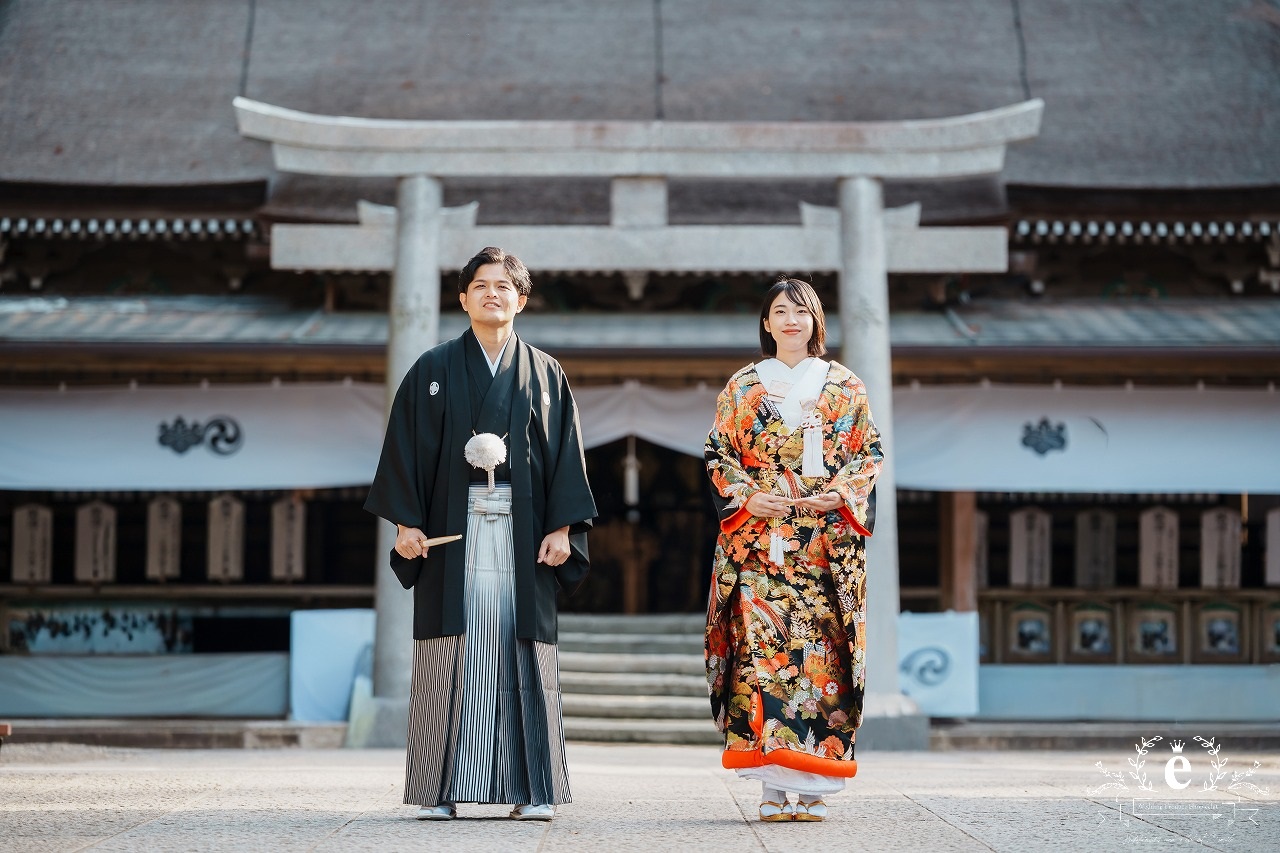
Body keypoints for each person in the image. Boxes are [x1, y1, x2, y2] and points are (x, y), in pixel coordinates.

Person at [365, 246, 596, 822]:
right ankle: (437, 790)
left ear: (522, 299)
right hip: (451, 531)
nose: (493, 294)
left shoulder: (546, 373)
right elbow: (405, 450)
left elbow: (565, 455)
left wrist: (563, 527)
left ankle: (533, 788)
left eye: (504, 286)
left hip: (525, 535)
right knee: (449, 653)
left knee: (523, 653)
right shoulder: (432, 369)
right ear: (463, 297)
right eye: (481, 285)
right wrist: (407, 524)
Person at [703, 277, 883, 823]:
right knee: (761, 658)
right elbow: (717, 452)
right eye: (779, 311)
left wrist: (843, 492)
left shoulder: (844, 385)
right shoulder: (742, 386)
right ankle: (771, 789)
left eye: (800, 312)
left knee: (822, 658)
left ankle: (812, 785)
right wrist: (747, 496)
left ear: (816, 321)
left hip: (825, 545)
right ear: (765, 322)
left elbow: (868, 449)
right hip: (761, 542)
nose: (790, 321)